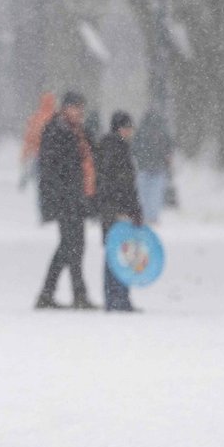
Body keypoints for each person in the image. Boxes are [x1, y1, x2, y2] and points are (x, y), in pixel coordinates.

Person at [35, 91, 97, 310]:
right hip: (65, 200)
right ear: (65, 108)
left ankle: (47, 293)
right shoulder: (56, 131)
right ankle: (78, 295)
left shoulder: (80, 132)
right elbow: (50, 169)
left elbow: (90, 161)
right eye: (75, 107)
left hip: (78, 198)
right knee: (73, 246)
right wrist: (60, 196)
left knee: (68, 247)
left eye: (81, 107)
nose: (79, 111)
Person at [95, 111, 143, 312]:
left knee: (116, 252)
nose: (130, 131)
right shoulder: (117, 150)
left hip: (113, 210)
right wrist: (126, 210)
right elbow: (120, 185)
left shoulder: (110, 147)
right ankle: (118, 298)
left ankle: (115, 297)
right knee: (119, 254)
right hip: (116, 212)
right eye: (127, 127)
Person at [133, 109, 174, 225]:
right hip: (159, 168)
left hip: (143, 168)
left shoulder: (140, 131)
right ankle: (153, 217)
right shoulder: (163, 131)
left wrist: (139, 159)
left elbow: (134, 148)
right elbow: (169, 148)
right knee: (156, 195)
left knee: (143, 195)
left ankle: (145, 217)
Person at [20, 92, 57, 212]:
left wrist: (25, 155)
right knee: (54, 184)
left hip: (39, 156)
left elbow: (29, 138)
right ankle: (54, 207)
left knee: (41, 184)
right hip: (54, 158)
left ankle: (43, 208)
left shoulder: (36, 118)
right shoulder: (57, 117)